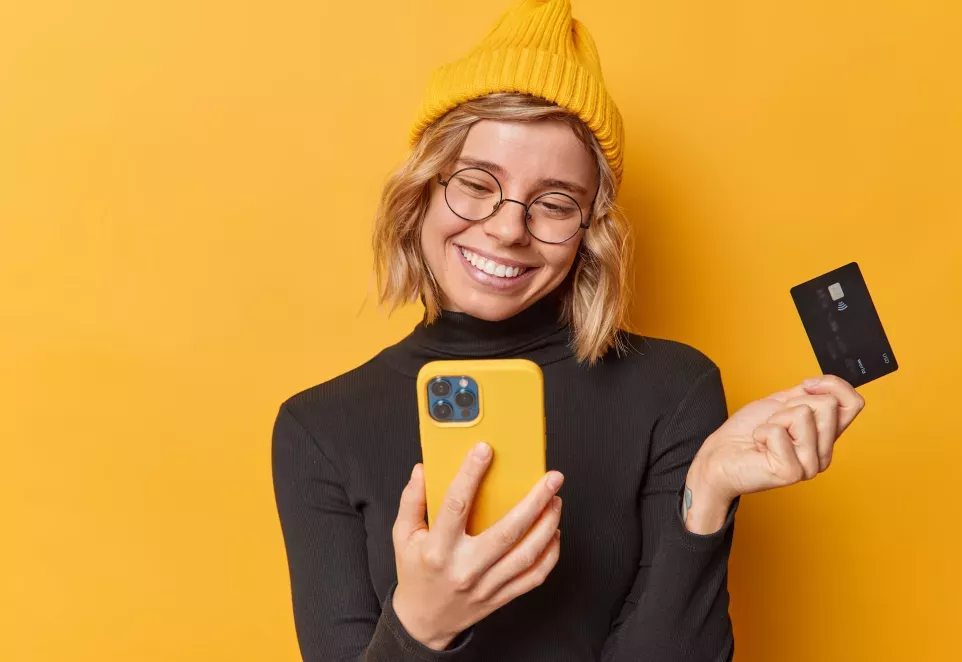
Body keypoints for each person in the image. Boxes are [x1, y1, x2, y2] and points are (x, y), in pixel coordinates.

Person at [271, 1, 866, 660]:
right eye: (475, 183)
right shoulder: (318, 430)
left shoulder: (673, 390)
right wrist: (420, 625)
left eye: (555, 203)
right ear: (421, 190)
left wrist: (708, 496)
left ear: (591, 231)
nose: (507, 227)